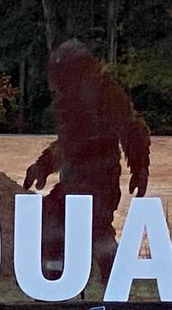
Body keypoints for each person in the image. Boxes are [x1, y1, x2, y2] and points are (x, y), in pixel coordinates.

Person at [23, 40, 152, 280]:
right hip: (76, 180)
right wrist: (43, 166)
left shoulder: (105, 93)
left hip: (100, 180)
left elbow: (132, 129)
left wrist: (140, 167)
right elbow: (69, 144)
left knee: (98, 230)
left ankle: (114, 281)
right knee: (52, 218)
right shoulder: (70, 100)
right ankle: (54, 280)